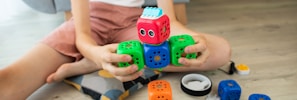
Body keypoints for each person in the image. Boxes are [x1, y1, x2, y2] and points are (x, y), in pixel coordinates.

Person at [0, 0, 231, 99]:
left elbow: (169, 22)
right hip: (89, 23)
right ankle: (97, 59)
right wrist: (96, 53)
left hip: (135, 24)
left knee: (220, 50)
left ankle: (89, 63)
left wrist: (192, 39)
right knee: (9, 82)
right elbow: (82, 36)